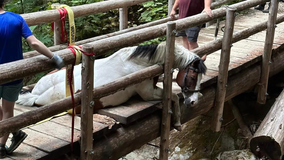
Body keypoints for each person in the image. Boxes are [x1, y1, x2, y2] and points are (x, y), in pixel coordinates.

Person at [0, 0, 64, 158]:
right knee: (8, 111)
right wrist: (54, 57)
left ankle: (4, 142)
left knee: (6, 111)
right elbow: (34, 42)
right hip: (14, 74)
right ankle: (9, 137)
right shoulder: (16, 19)